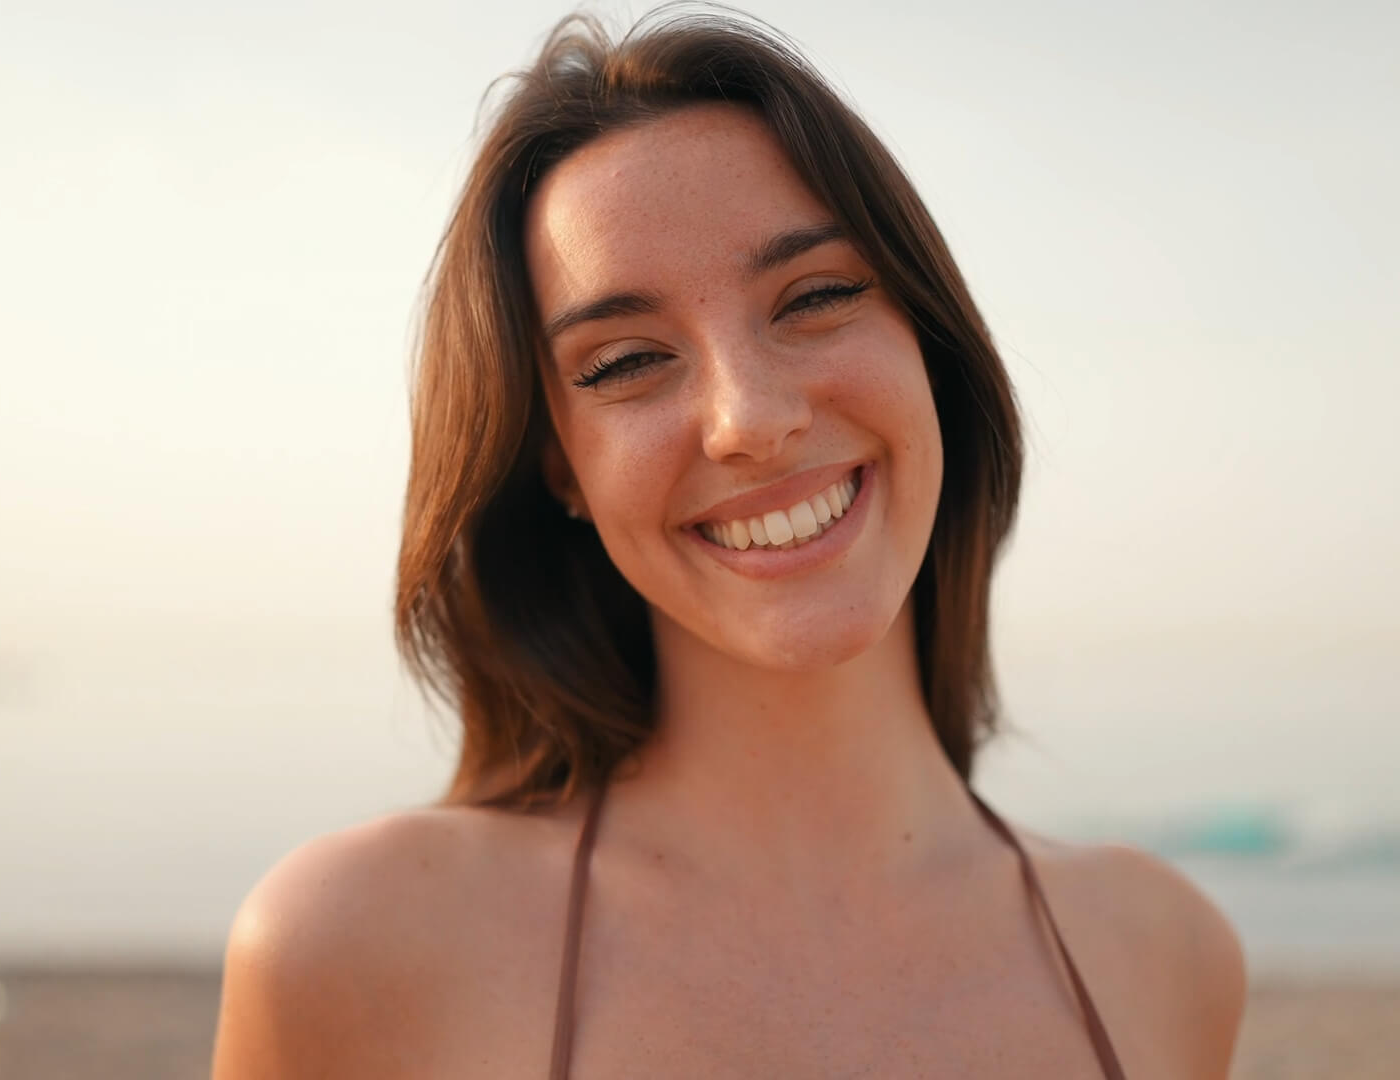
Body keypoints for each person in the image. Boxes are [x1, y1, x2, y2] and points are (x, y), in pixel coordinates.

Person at [212, 9, 1245, 1078]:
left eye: (819, 295)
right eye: (624, 363)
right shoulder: (355, 948)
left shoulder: (1163, 957)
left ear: (929, 347)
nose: (750, 418)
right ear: (559, 467)